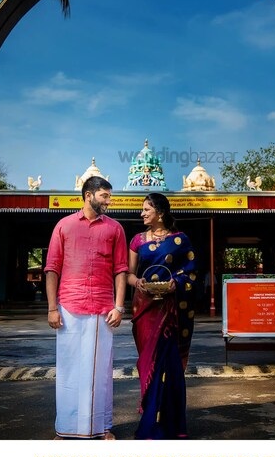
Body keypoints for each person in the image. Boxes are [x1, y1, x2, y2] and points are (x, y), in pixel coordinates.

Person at [44, 176, 128, 440]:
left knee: (101, 372)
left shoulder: (115, 229)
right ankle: (66, 429)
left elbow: (121, 270)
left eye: (109, 196)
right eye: (104, 196)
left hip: (103, 308)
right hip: (68, 306)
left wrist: (119, 307)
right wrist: (51, 308)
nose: (108, 201)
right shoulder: (64, 226)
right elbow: (51, 269)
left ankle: (102, 428)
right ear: (88, 195)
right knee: (69, 369)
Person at [128, 192, 198, 439]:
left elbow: (190, 274)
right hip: (145, 310)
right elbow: (129, 274)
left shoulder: (180, 240)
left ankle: (166, 424)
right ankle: (150, 413)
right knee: (149, 363)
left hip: (170, 310)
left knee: (167, 365)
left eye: (146, 209)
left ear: (160, 212)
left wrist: (174, 284)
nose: (142, 213)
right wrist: (139, 283)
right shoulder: (137, 240)